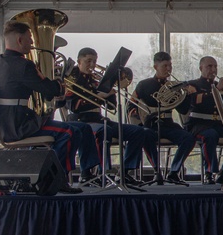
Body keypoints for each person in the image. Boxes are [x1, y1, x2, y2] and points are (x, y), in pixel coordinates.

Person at [0, 20, 100, 191]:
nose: (32, 43)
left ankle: (76, 173)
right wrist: (58, 82)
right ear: (20, 40)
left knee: (79, 129)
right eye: (29, 40)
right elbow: (50, 89)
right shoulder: (24, 65)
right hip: (18, 126)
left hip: (4, 124)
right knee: (69, 132)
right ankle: (56, 179)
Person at [63, 47, 157, 187]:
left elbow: (111, 107)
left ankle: (125, 172)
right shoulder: (71, 79)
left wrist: (110, 88)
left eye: (94, 61)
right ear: (79, 61)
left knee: (138, 131)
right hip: (81, 121)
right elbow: (73, 106)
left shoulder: (95, 80)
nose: (92, 65)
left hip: (99, 119)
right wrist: (98, 97)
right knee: (103, 131)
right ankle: (100, 173)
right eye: (88, 61)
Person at [129, 51, 197, 185]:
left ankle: (173, 172)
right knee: (145, 135)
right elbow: (131, 106)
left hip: (168, 124)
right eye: (165, 66)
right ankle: (156, 171)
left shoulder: (174, 86)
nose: (169, 69)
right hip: (151, 125)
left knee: (188, 138)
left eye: (170, 65)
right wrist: (138, 125)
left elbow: (183, 110)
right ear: (155, 67)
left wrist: (188, 95)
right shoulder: (144, 85)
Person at [183, 56, 223, 184]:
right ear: (200, 68)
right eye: (209, 66)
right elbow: (196, 101)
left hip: (217, 125)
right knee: (210, 135)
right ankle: (209, 172)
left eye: (215, 66)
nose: (213, 69)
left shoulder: (218, 86)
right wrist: (217, 90)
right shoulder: (192, 84)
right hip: (198, 125)